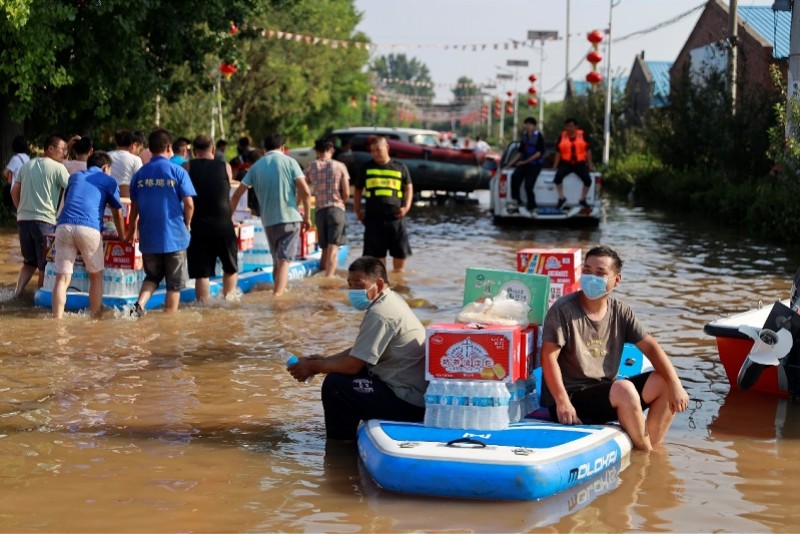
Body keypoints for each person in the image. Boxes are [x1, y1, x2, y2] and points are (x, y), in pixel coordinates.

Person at [539, 245, 689, 451]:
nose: (592, 277)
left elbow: (652, 348)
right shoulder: (563, 310)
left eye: (600, 273)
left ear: (616, 280)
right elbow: (548, 357)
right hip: (572, 399)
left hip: (606, 392)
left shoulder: (621, 312)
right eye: (587, 270)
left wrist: (676, 384)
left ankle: (650, 446)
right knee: (624, 388)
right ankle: (648, 456)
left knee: (664, 380)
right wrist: (563, 402)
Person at [287, 256, 427, 441]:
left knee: (336, 385)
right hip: (404, 390)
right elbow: (360, 350)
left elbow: (352, 365)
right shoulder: (389, 300)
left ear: (378, 283)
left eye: (358, 284)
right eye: (350, 284)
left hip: (406, 400)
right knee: (339, 375)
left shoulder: (382, 313)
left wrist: (314, 367)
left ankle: (340, 446)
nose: (353, 290)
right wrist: (322, 360)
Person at [229, 133, 311, 297]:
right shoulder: (290, 162)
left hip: (268, 221)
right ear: (282, 147)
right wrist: (307, 216)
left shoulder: (256, 167)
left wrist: (229, 218)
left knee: (277, 261)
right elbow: (306, 191)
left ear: (265, 149)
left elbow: (237, 194)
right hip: (290, 218)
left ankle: (278, 294)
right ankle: (277, 298)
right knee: (285, 261)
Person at [125, 128, 196, 315]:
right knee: (174, 285)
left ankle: (139, 305)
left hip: (148, 236)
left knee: (152, 276)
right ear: (169, 147)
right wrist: (187, 224)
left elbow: (134, 208)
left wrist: (132, 230)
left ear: (150, 147)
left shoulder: (140, 175)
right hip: (174, 237)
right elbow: (189, 204)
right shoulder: (177, 171)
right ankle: (169, 324)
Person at [52, 151, 125, 319]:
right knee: (95, 276)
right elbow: (118, 213)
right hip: (89, 228)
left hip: (63, 226)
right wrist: (122, 236)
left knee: (62, 278)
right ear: (105, 167)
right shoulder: (108, 180)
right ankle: (95, 316)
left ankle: (57, 320)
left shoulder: (74, 177)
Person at [11, 134, 70, 298]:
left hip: (23, 221)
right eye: (63, 149)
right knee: (45, 265)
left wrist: (21, 210)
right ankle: (38, 300)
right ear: (50, 149)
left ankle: (16, 294)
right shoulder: (58, 168)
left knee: (29, 262)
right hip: (44, 222)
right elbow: (73, 188)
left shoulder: (27, 165)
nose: (65, 153)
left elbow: (14, 191)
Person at [183, 134, 238, 302]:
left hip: (198, 225)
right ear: (213, 150)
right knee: (230, 267)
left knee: (202, 273)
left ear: (193, 152)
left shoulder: (187, 167)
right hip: (223, 224)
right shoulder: (225, 166)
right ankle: (229, 301)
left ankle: (203, 305)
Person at [352, 136, 413, 273]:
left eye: (378, 150)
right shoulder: (366, 168)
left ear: (387, 148)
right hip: (374, 218)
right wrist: (357, 210)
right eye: (372, 151)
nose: (375, 153)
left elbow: (408, 187)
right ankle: (381, 284)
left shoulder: (400, 167)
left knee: (400, 253)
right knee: (375, 258)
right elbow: (357, 190)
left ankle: (399, 282)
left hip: (396, 218)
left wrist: (406, 207)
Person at [304, 138, 350, 277]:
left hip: (319, 211)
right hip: (336, 209)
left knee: (323, 248)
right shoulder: (340, 166)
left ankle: (321, 274)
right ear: (331, 150)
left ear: (317, 151)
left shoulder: (311, 167)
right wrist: (342, 203)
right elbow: (347, 192)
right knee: (333, 247)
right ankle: (328, 279)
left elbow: (302, 188)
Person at [552, 117, 594, 210]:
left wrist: (590, 165)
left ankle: (582, 199)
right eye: (566, 126)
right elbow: (558, 153)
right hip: (566, 163)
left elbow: (588, 151)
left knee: (588, 180)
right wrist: (554, 166)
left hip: (580, 163)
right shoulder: (562, 137)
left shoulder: (583, 136)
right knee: (558, 178)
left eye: (570, 126)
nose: (568, 128)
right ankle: (561, 198)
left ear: (576, 127)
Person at [506, 117, 545, 214]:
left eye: (529, 124)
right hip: (525, 163)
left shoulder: (539, 136)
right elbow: (520, 153)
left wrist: (524, 162)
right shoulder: (524, 137)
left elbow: (538, 153)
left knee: (528, 186)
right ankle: (516, 200)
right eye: (526, 124)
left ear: (533, 126)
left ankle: (532, 207)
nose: (526, 126)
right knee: (515, 176)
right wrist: (509, 165)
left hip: (535, 164)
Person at [108, 129, 144, 198]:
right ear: (131, 143)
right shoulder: (136, 160)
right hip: (127, 200)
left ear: (116, 142)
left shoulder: (107, 156)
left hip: (108, 199)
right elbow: (140, 181)